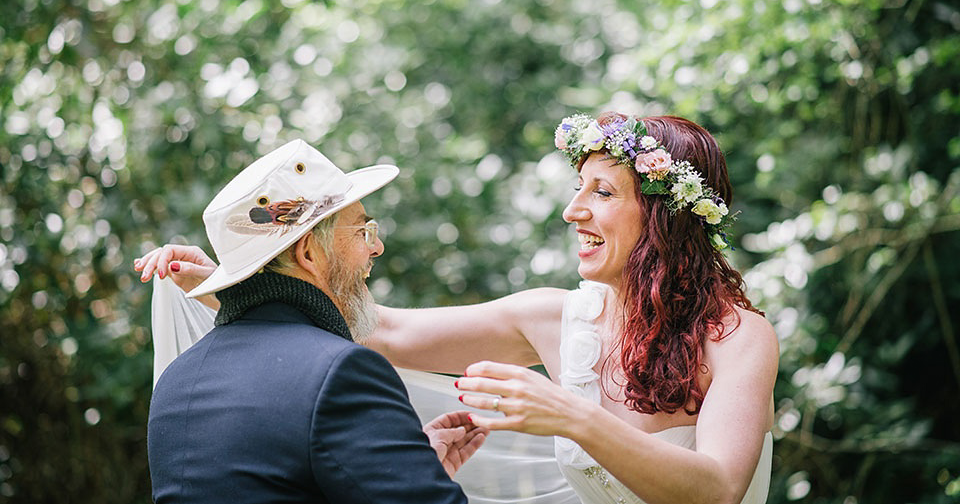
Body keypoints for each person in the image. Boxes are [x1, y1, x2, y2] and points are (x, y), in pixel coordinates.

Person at [138, 112, 778, 504]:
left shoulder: (739, 337)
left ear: (663, 218)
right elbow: (379, 329)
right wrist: (237, 276)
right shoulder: (554, 319)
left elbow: (717, 489)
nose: (572, 210)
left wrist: (571, 416)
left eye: (601, 191)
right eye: (575, 188)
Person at [145, 139, 486, 504]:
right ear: (309, 252)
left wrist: (406, 471)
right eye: (362, 231)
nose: (377, 247)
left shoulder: (175, 382)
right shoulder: (342, 372)